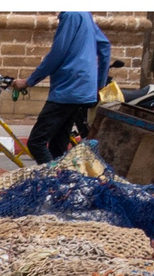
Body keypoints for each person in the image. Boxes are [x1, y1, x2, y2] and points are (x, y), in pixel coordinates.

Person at [21, 10, 111, 164]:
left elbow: (57, 54)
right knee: (57, 147)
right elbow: (105, 47)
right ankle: (62, 181)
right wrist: (99, 85)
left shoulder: (71, 15)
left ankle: (53, 181)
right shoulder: (85, 15)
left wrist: (29, 81)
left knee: (36, 142)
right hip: (82, 88)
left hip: (68, 89)